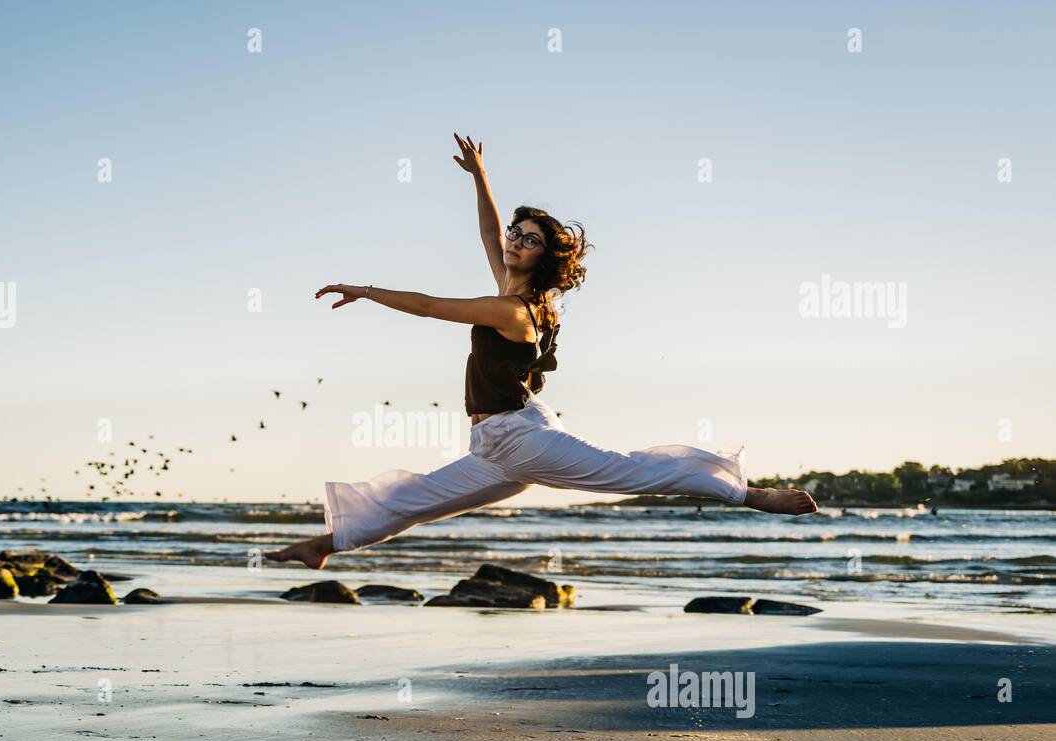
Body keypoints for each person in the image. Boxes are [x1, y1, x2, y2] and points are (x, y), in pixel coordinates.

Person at [266, 133, 816, 570]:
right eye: (516, 232)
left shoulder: (513, 310)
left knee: (625, 472)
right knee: (422, 498)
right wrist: (480, 176)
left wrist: (366, 290)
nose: (513, 240)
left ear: (544, 257)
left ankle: (746, 493)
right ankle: (326, 545)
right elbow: (486, 229)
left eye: (528, 238)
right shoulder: (512, 290)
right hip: (497, 440)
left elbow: (432, 306)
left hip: (520, 437)